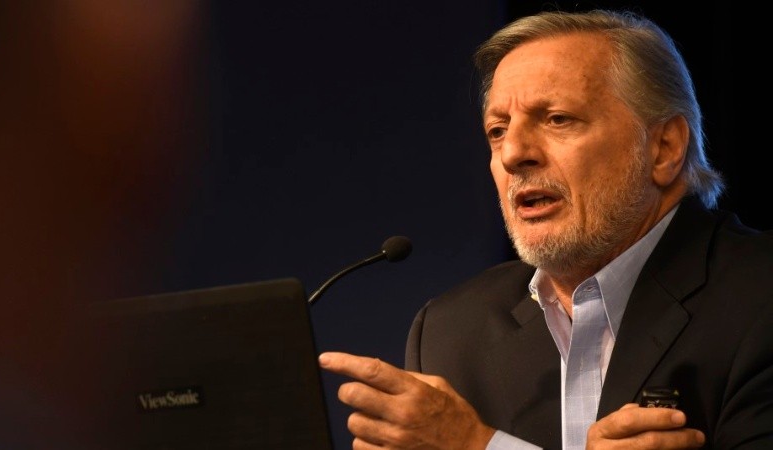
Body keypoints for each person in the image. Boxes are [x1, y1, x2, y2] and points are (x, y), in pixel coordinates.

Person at [319, 8, 773, 450]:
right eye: (497, 131)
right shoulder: (451, 332)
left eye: (558, 119)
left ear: (664, 147)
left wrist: (476, 445)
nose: (513, 154)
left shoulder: (760, 298)